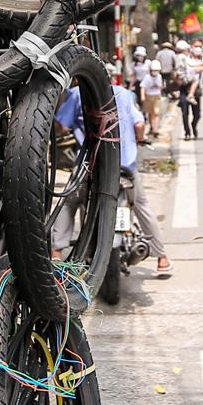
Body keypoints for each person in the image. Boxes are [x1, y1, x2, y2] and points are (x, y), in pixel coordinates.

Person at [55, 77, 170, 277]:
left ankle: (56, 252)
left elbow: (61, 125)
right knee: (141, 205)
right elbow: (140, 125)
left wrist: (68, 129)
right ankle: (162, 258)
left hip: (91, 165)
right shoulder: (125, 94)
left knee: (69, 202)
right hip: (125, 165)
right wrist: (140, 140)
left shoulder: (77, 94)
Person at [140, 59, 164, 139]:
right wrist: (142, 96)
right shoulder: (147, 77)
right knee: (151, 113)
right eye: (154, 70)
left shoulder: (159, 77)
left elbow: (160, 86)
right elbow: (143, 87)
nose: (155, 72)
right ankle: (152, 127)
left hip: (157, 96)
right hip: (149, 97)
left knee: (156, 113)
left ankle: (155, 130)